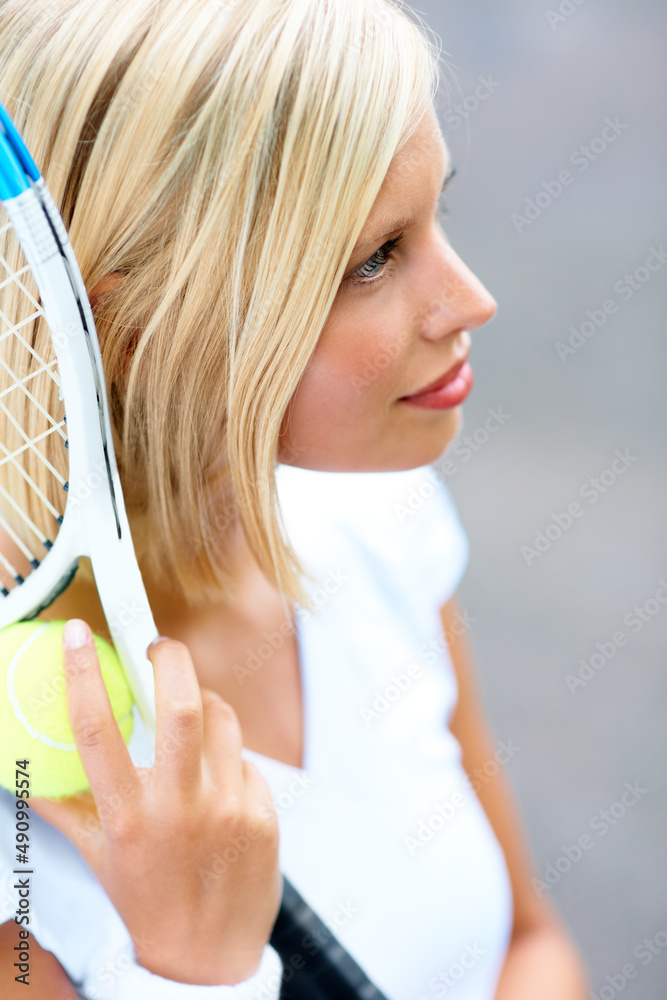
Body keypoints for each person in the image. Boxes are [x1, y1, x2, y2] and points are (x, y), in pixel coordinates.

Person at [0, 0, 590, 997]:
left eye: (433, 214)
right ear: (133, 333)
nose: (470, 299)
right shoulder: (29, 822)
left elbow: (530, 945)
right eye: (371, 260)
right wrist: (196, 970)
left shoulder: (378, 520)